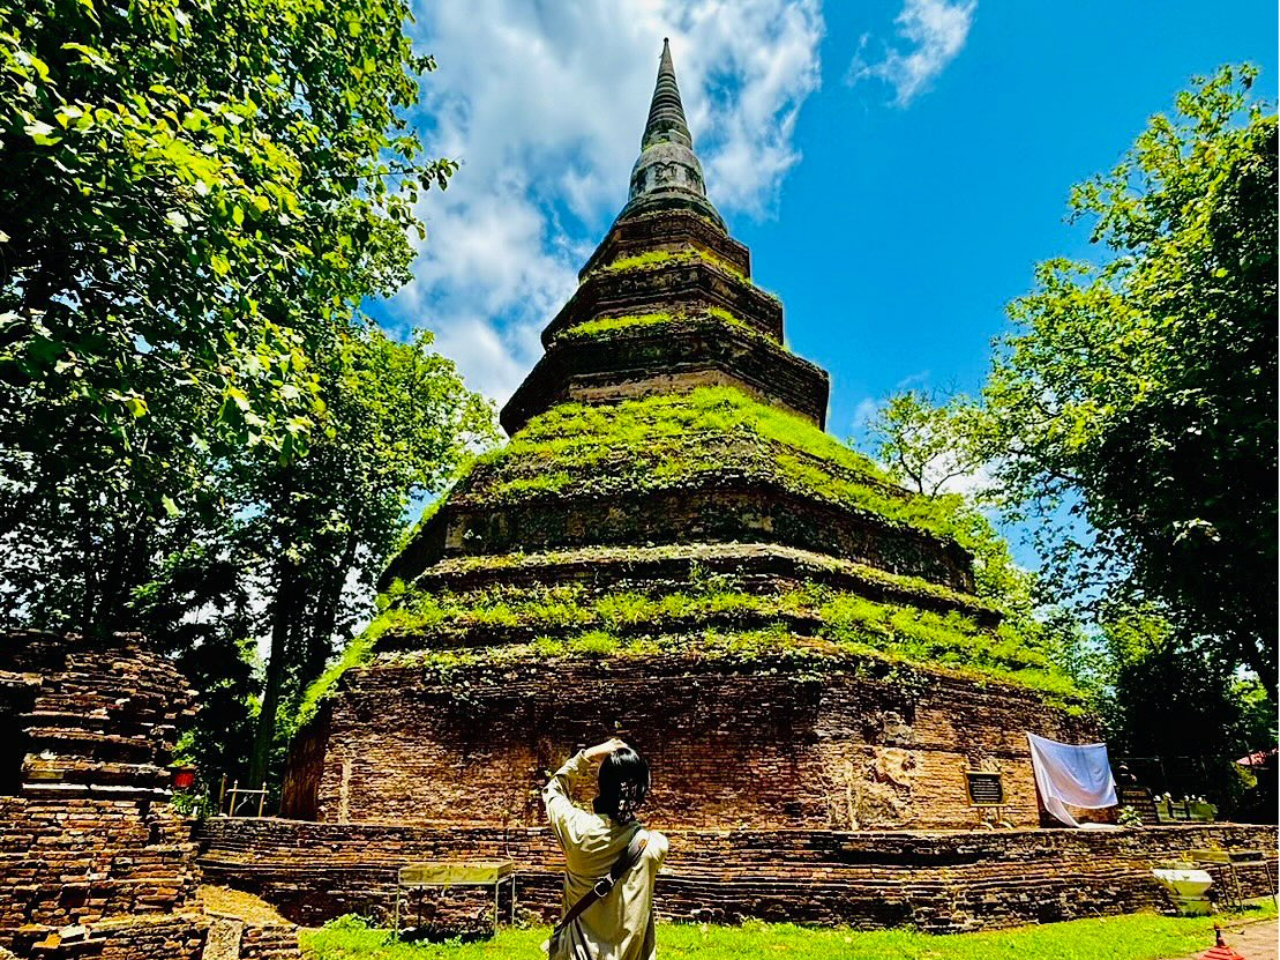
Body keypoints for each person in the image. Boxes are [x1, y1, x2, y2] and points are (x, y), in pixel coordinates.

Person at [541, 738, 668, 960]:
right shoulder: (654, 847)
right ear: (641, 791)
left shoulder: (577, 831)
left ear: (602, 785)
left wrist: (587, 756)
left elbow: (553, 789)